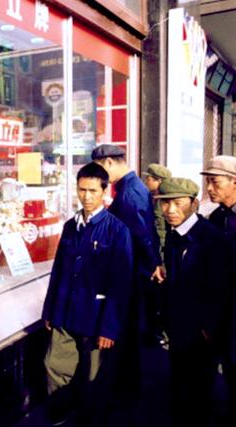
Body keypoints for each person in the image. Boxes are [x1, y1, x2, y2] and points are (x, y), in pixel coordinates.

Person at [42, 162, 133, 426]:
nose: (87, 196)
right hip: (65, 313)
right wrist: (49, 311)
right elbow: (58, 271)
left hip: (97, 318)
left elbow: (121, 284)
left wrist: (110, 329)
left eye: (93, 190)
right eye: (82, 190)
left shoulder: (118, 231)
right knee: (55, 367)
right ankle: (59, 415)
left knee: (95, 377)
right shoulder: (71, 226)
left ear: (105, 191)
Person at [154, 177, 227, 427]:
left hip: (201, 332)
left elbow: (219, 288)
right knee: (180, 385)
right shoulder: (174, 236)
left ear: (194, 203)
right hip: (178, 326)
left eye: (178, 203)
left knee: (200, 391)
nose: (170, 210)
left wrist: (208, 328)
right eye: (164, 204)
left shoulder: (211, 239)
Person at [92, 144, 163, 394]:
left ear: (109, 163)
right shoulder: (130, 188)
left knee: (128, 331)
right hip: (134, 270)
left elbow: (142, 234)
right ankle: (128, 385)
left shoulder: (129, 194)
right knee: (131, 330)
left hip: (132, 273)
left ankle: (127, 389)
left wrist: (153, 263)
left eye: (100, 169)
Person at [200, 155, 236, 421]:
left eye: (215, 182)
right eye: (208, 182)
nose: (209, 189)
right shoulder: (215, 218)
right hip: (218, 311)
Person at [141, 163, 172, 345]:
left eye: (149, 178)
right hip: (158, 251)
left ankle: (163, 334)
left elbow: (161, 230)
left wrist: (158, 259)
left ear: (158, 181)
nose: (146, 181)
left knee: (161, 292)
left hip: (161, 253)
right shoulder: (153, 198)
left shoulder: (162, 201)